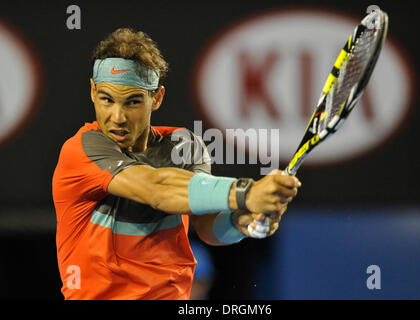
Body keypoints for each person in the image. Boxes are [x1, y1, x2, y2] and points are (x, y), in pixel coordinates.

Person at [52, 28, 301, 300]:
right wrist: (247, 193)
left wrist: (243, 222)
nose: (117, 116)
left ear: (156, 98)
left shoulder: (185, 146)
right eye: (106, 99)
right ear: (92, 91)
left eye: (133, 101)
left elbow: (207, 227)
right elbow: (156, 189)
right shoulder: (80, 151)